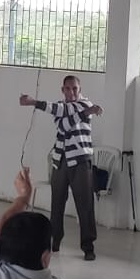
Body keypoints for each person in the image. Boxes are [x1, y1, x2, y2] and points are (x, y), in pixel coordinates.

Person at [19, 76, 102, 261]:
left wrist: (34, 102)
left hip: (80, 161)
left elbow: (66, 115)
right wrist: (85, 113)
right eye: (68, 89)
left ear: (80, 89)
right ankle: (55, 240)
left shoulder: (85, 103)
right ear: (62, 89)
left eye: (75, 88)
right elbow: (63, 125)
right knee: (57, 203)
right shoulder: (62, 107)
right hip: (60, 160)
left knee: (85, 205)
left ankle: (88, 246)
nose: (71, 92)